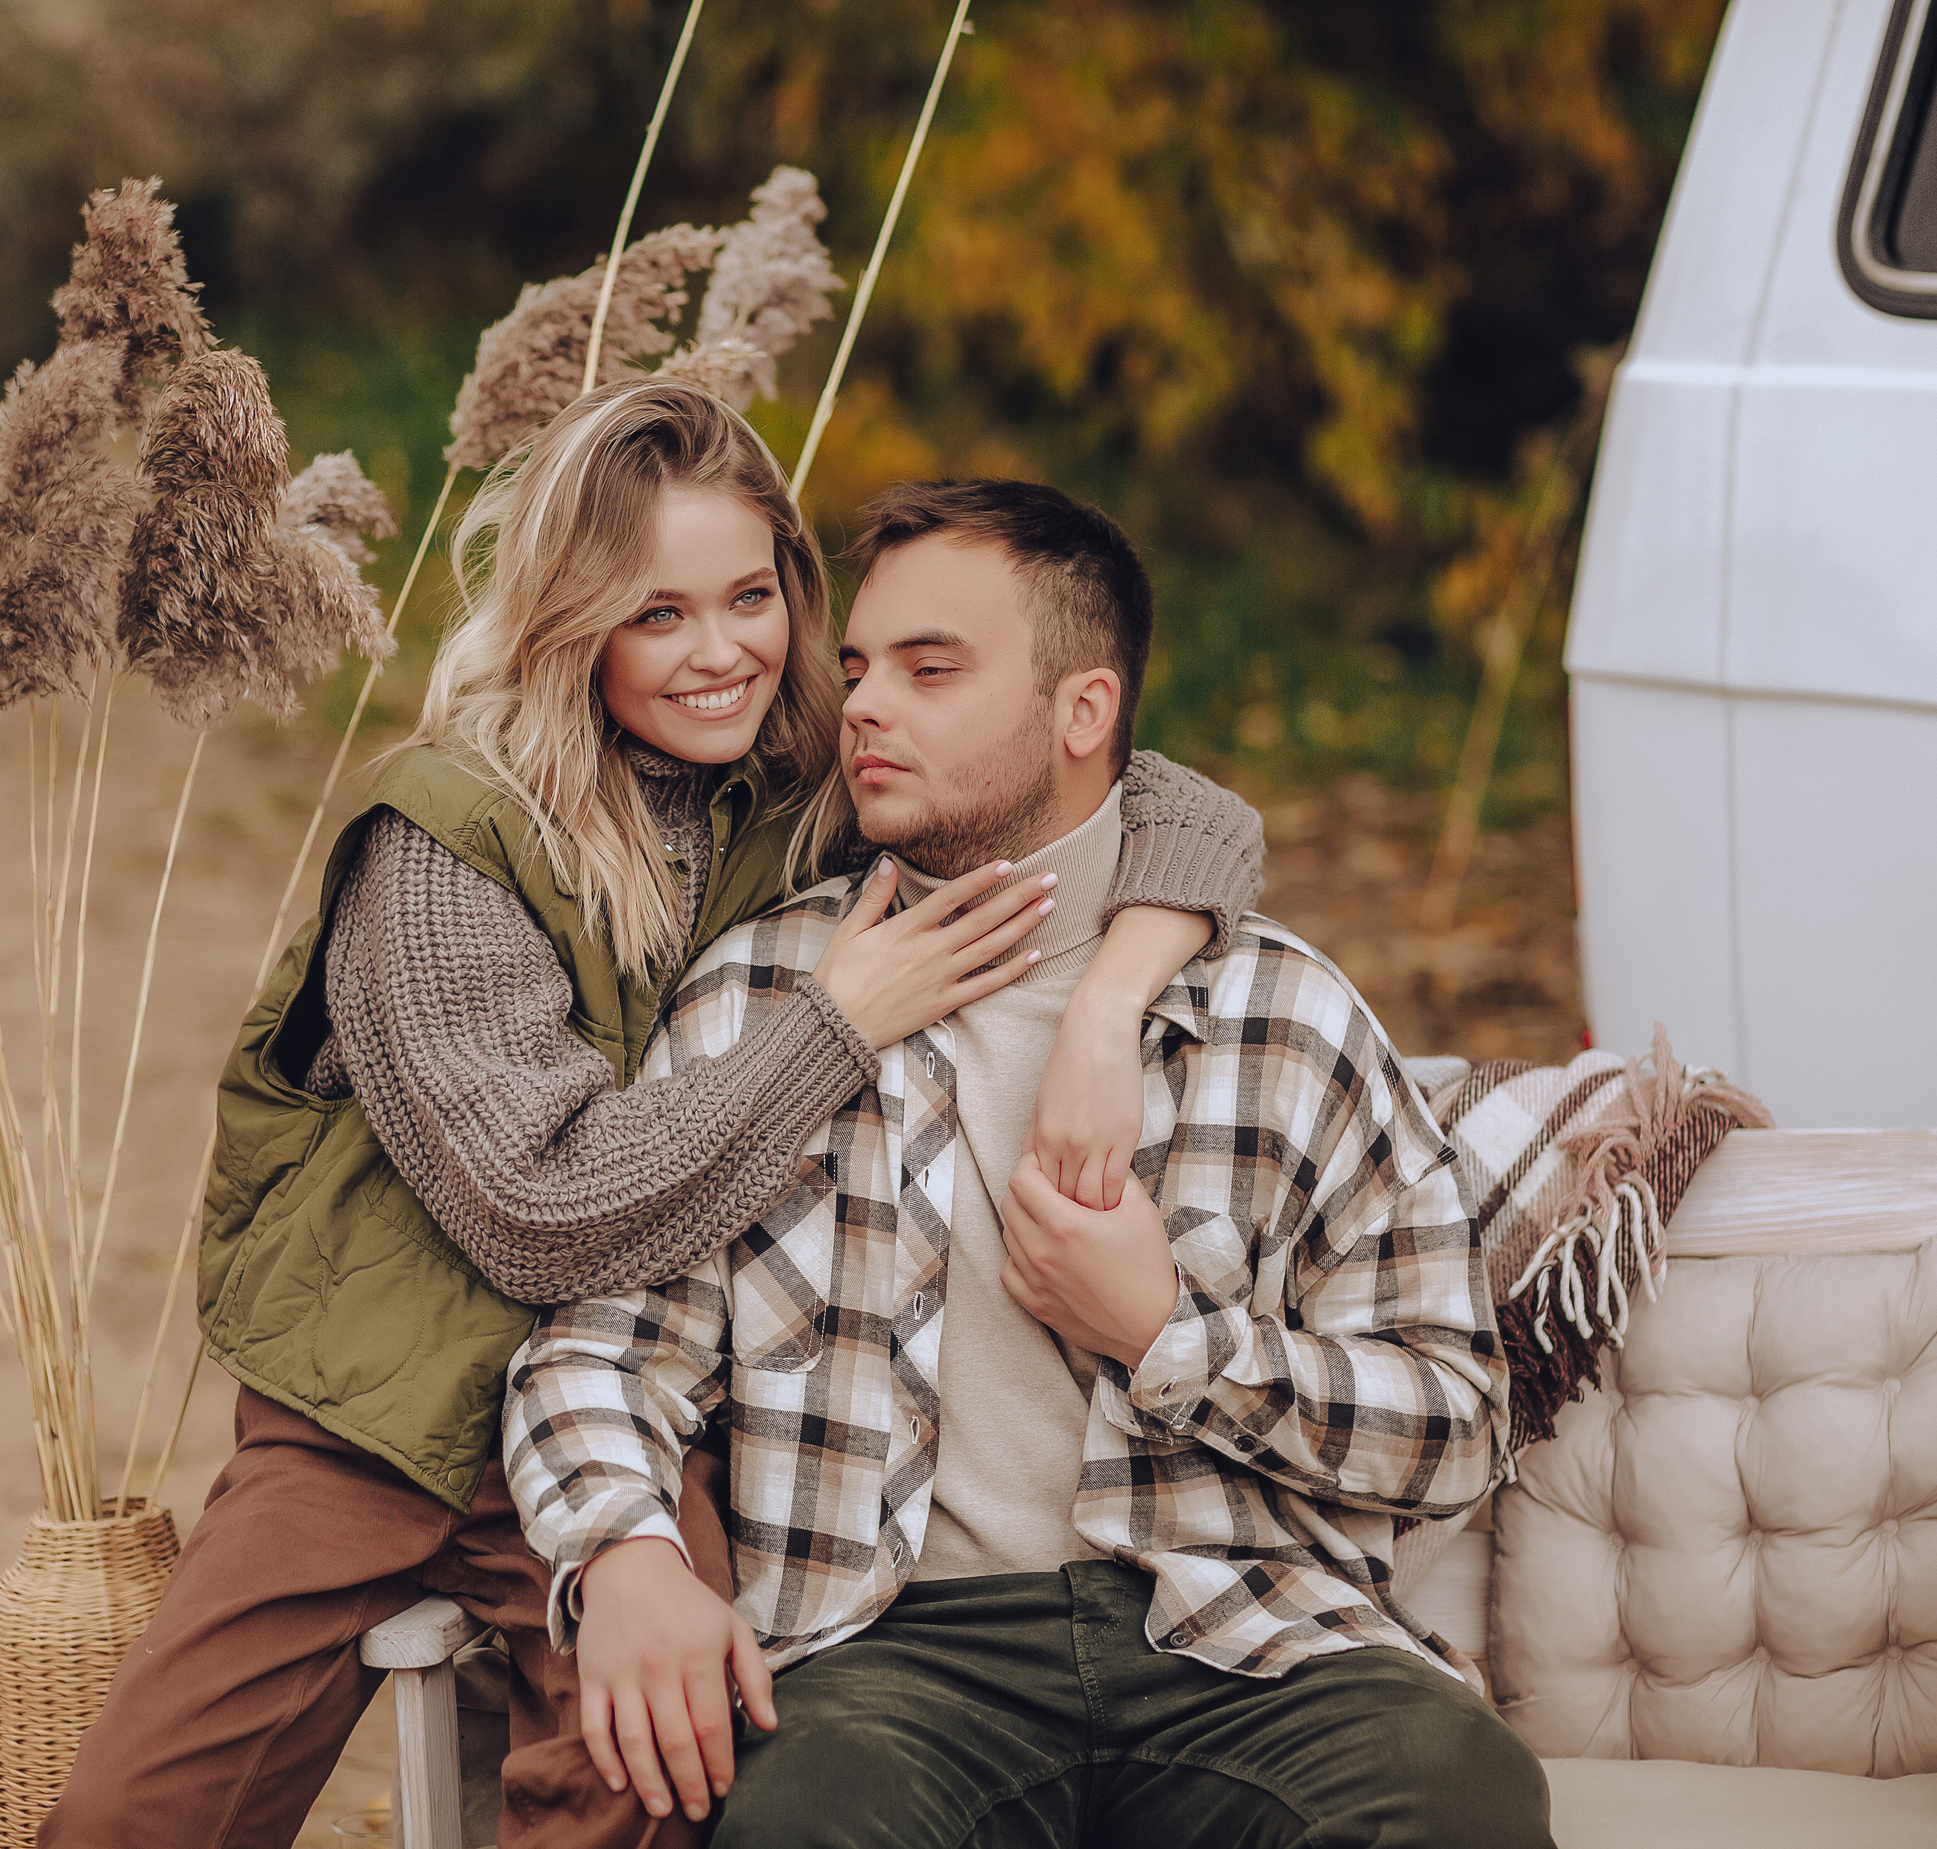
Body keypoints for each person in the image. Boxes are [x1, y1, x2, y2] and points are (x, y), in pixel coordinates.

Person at [43, 384, 1268, 1849]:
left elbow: (1167, 800)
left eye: (751, 596)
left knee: (658, 1754)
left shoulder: (803, 778)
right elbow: (537, 1210)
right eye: (659, 613)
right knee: (146, 1811)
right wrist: (838, 1023)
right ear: (578, 624)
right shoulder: (448, 835)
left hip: (629, 1395)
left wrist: (1110, 998)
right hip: (378, 1400)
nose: (721, 650)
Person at [506, 478, 1548, 1849]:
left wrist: (1169, 1333)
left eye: (930, 669)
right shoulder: (765, 998)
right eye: (863, 665)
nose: (862, 704)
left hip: (1237, 1633)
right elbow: (600, 1343)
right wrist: (622, 1548)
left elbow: (1454, 1421)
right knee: (799, 1832)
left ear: (1083, 711)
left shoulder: (1282, 1016)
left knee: (1455, 1796)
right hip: (893, 1655)